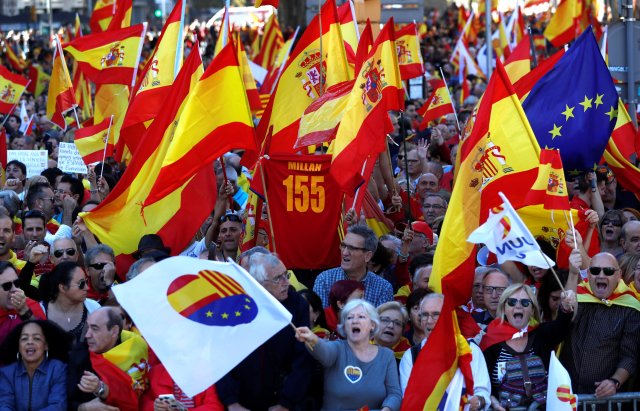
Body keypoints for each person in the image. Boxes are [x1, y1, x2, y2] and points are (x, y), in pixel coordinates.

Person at [216, 253, 314, 411]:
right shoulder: (235, 306)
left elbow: (302, 358)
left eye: (286, 274)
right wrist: (231, 401)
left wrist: (286, 403)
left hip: (285, 398)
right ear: (258, 283)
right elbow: (222, 356)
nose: (286, 282)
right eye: (278, 278)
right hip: (241, 400)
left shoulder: (297, 305)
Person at [481, 283, 577, 410]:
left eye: (525, 303)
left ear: (532, 310)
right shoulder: (490, 343)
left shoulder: (541, 335)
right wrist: (493, 401)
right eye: (512, 302)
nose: (518, 306)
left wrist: (565, 306)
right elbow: (483, 383)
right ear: (504, 308)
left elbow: (561, 326)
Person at [296, 299, 402, 411]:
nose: (354, 321)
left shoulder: (386, 355)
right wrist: (312, 339)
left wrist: (387, 409)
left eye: (361, 317)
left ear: (372, 325)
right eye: (349, 318)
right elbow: (324, 351)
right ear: (345, 327)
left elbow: (394, 394)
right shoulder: (336, 348)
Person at [560, 251, 640, 397]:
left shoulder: (631, 306)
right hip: (567, 395)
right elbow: (568, 310)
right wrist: (572, 274)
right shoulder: (580, 294)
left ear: (618, 275)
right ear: (589, 275)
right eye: (595, 270)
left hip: (605, 399)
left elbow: (630, 356)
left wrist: (614, 382)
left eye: (608, 271)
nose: (601, 275)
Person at [399, 294, 490, 411]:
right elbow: (410, 401)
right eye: (425, 315)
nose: (429, 321)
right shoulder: (411, 356)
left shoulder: (470, 350)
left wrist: (478, 401)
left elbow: (482, 391)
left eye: (436, 314)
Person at [67, 307, 149, 410]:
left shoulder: (137, 349)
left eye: (95, 329)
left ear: (114, 331)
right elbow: (65, 401)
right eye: (88, 328)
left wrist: (101, 389)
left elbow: (138, 398)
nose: (87, 335)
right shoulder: (79, 354)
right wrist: (82, 407)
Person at [314, 225, 394, 308]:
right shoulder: (324, 280)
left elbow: (381, 320)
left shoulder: (383, 288)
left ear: (368, 256)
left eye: (352, 248)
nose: (344, 253)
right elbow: (321, 319)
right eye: (343, 246)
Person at [0, 319, 71, 410]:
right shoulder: (6, 373)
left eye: (36, 338)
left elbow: (58, 406)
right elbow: (4, 405)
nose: (30, 342)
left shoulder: (58, 369)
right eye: (24, 338)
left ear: (46, 346)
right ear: (18, 346)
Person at [39, 261, 100, 344]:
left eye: (86, 281)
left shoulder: (94, 308)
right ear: (63, 287)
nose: (87, 287)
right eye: (81, 283)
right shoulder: (40, 311)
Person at [0, 261, 45, 345]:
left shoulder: (31, 305)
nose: (14, 289)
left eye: (17, 283)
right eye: (7, 286)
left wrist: (25, 311)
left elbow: (44, 340)